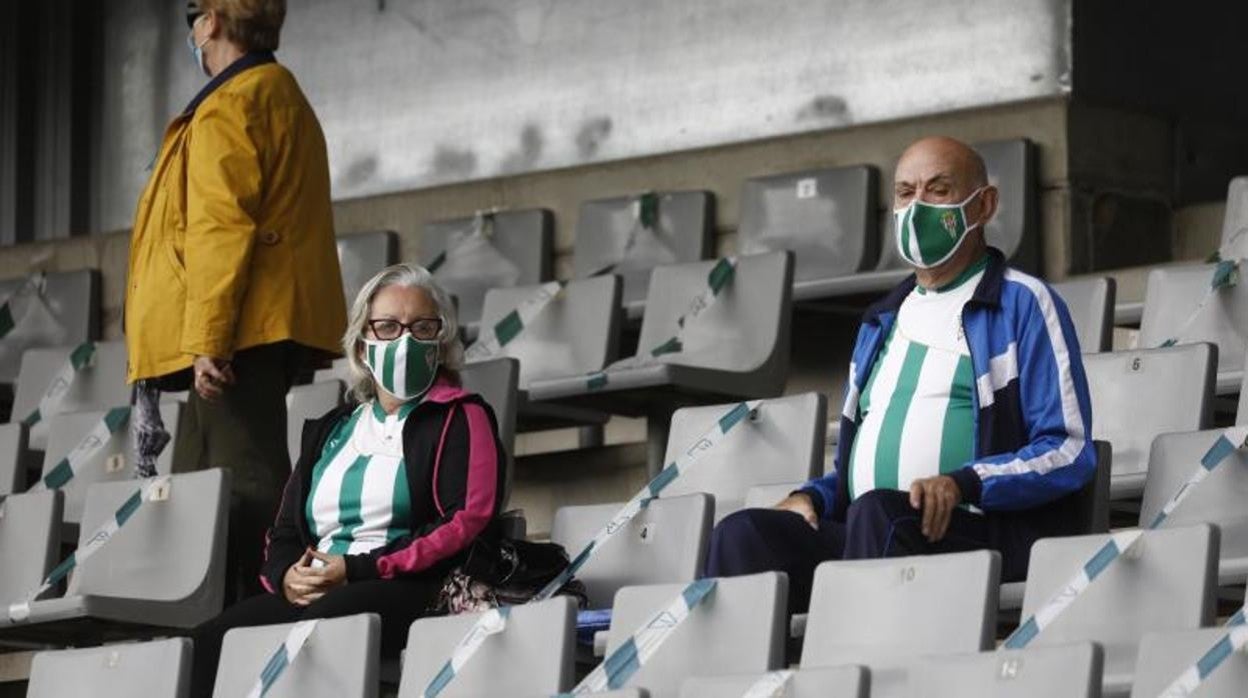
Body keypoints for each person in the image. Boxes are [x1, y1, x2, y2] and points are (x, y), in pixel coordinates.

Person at [705, 136, 1096, 612]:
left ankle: (854, 675)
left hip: (984, 530)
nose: (917, 207)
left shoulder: (1024, 305)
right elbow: (853, 475)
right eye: (906, 193)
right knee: (743, 534)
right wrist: (812, 498)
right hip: (877, 530)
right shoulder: (879, 322)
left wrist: (963, 484)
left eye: (938, 190)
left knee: (879, 515)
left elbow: (1068, 449)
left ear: (984, 205)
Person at [189, 263, 508, 696]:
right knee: (203, 646)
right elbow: (284, 530)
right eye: (388, 327)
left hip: (414, 586)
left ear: (442, 342)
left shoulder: (461, 415)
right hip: (323, 590)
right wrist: (285, 577)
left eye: (422, 327)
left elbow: (466, 519)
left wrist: (358, 568)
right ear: (361, 346)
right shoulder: (332, 429)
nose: (406, 340)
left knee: (318, 629)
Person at [124, 0, 346, 600]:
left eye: (192, 14)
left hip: (236, 333)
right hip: (246, 328)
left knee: (240, 483)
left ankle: (256, 608)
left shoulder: (234, 101)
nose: (191, 29)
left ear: (212, 22)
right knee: (199, 486)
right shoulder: (273, 92)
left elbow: (220, 230)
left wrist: (209, 342)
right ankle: (205, 622)